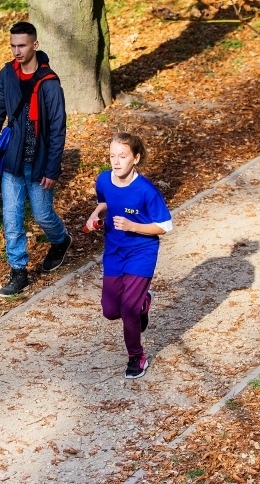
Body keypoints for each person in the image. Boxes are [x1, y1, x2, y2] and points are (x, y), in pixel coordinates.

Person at [0, 21, 72, 297]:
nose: (17, 51)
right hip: (13, 160)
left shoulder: (50, 82)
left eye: (21, 45)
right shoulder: (7, 75)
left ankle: (60, 239)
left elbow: (57, 129)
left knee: (43, 214)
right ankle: (18, 270)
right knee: (11, 217)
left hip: (40, 161)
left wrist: (52, 168)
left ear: (35, 45)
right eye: (13, 46)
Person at [85, 133, 173, 379]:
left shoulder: (146, 191)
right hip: (114, 251)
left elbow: (165, 226)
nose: (116, 161)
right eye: (112, 156)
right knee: (111, 311)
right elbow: (104, 203)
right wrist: (95, 216)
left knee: (128, 310)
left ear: (135, 158)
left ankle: (136, 357)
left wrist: (133, 226)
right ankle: (144, 303)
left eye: (122, 156)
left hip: (141, 253)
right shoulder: (103, 180)